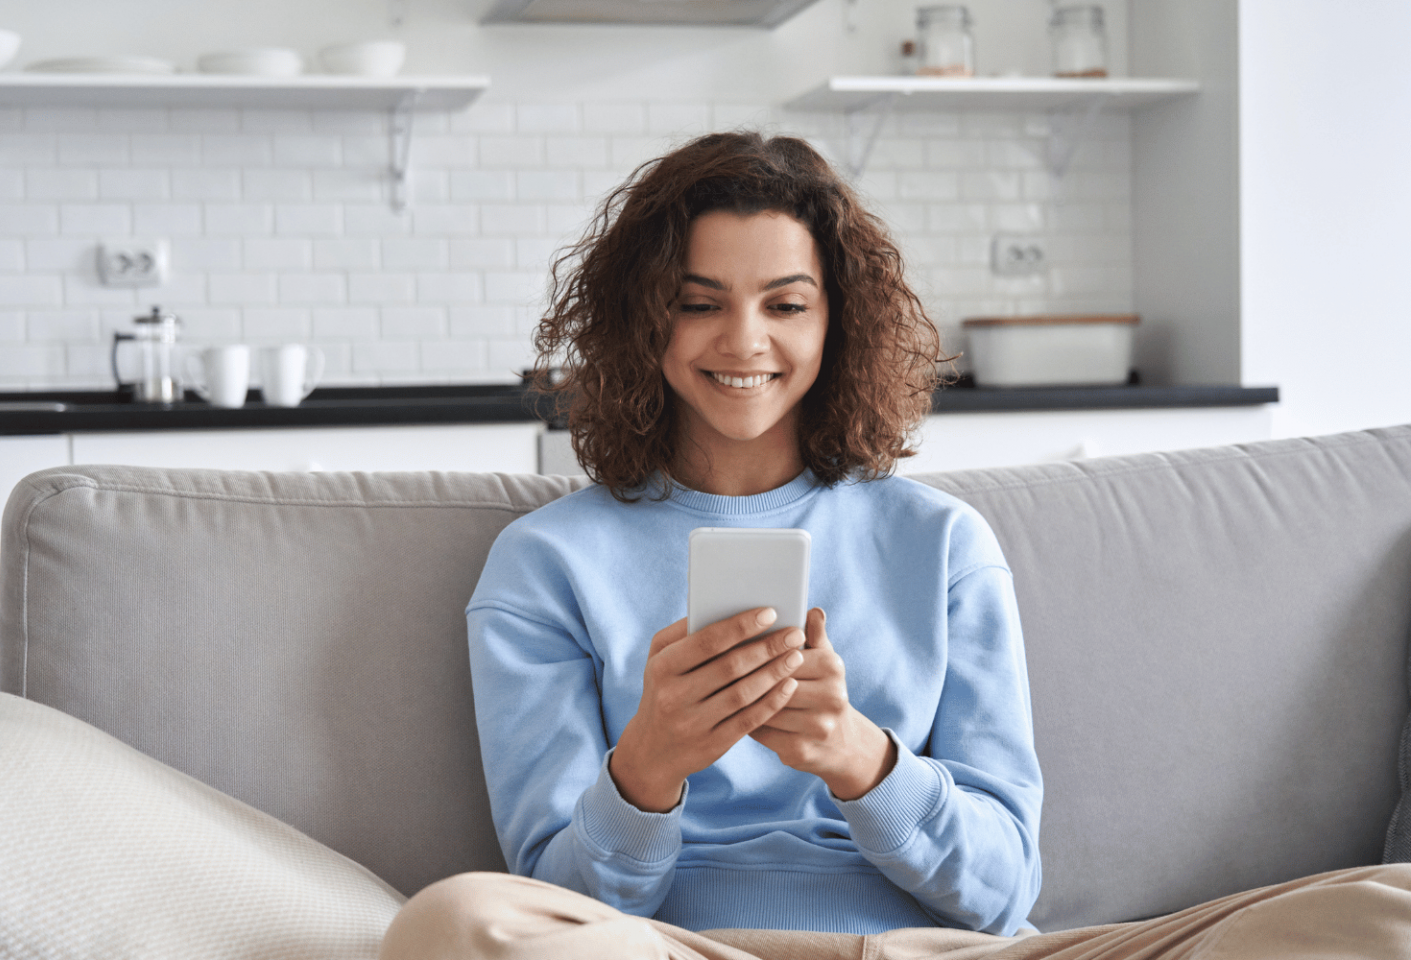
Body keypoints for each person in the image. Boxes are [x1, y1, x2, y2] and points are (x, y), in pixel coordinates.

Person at [380, 131, 1411, 960]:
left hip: (936, 949)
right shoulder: (546, 562)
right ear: (642, 326)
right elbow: (554, 901)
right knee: (455, 920)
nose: (744, 342)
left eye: (786, 304)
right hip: (679, 948)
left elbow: (1006, 889)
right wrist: (648, 766)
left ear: (838, 326)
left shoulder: (941, 542)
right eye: (699, 305)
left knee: (1386, 910)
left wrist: (861, 759)